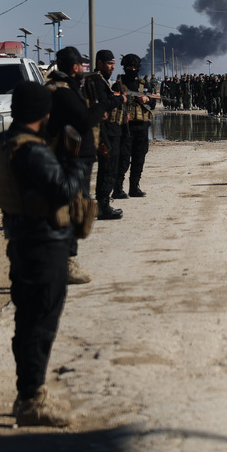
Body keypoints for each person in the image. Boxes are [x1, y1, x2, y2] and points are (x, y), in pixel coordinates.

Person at [0, 81, 87, 427]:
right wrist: (76, 165)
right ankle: (32, 400)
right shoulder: (32, 150)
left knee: (27, 321)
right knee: (40, 323)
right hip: (44, 245)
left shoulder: (4, 144)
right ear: (43, 113)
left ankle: (27, 391)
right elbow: (62, 190)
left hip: (22, 241)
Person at [46, 46, 105, 284]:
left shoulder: (66, 88)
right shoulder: (63, 92)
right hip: (72, 161)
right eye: (81, 65)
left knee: (74, 208)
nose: (83, 69)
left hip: (75, 159)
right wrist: (102, 106)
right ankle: (67, 262)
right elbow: (84, 120)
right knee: (74, 210)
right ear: (74, 68)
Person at [83, 49, 125, 220]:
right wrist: (119, 99)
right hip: (102, 130)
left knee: (110, 166)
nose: (112, 67)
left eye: (114, 63)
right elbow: (102, 105)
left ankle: (104, 203)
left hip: (107, 129)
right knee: (107, 167)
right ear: (99, 63)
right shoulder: (95, 81)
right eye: (109, 63)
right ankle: (103, 206)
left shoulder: (102, 80)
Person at [114, 53, 157, 199]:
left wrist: (146, 99)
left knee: (139, 158)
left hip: (142, 126)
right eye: (128, 67)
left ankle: (134, 187)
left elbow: (153, 103)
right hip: (125, 127)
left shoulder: (144, 84)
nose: (131, 69)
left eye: (134, 67)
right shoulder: (118, 84)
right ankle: (118, 188)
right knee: (123, 159)